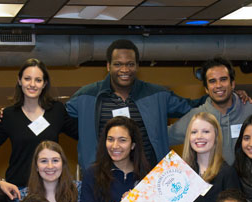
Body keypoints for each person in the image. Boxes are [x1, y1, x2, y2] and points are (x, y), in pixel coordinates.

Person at [66, 39, 205, 171]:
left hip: (149, 178)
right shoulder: (86, 96)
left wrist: (220, 95)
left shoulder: (157, 95)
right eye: (118, 64)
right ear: (108, 66)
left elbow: (193, 108)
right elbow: (57, 117)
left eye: (130, 64)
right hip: (103, 178)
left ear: (137, 66)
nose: (125, 69)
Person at [0, 59, 78, 188]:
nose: (32, 84)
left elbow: (81, 132)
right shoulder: (8, 115)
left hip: (50, 188)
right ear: (19, 81)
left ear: (44, 84)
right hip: (18, 190)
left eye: (38, 80)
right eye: (27, 78)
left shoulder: (56, 111)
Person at [168, 57, 252, 164]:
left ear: (232, 84)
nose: (218, 85)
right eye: (212, 81)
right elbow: (161, 137)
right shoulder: (196, 117)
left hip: (250, 180)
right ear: (206, 89)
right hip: (211, 180)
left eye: (223, 79)